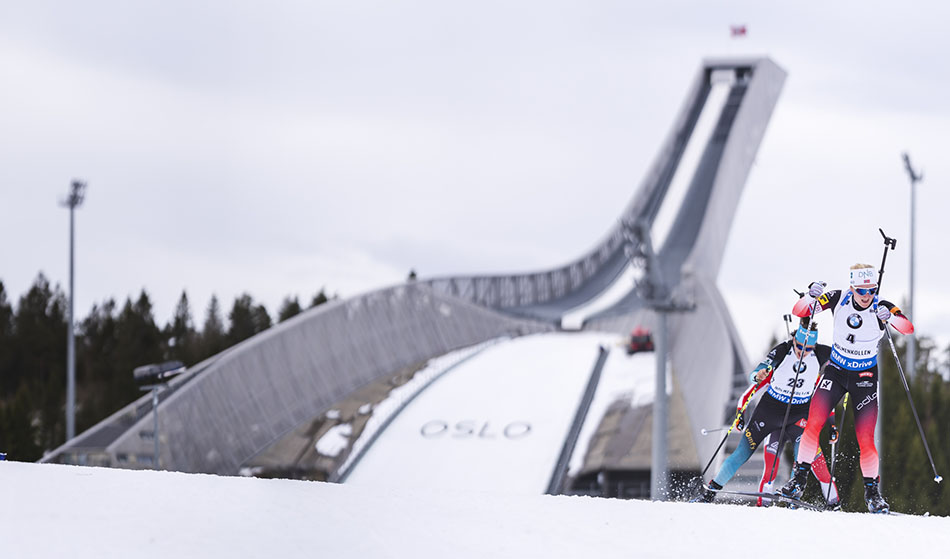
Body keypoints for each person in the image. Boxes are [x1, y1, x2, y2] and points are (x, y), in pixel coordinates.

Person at [779, 264, 914, 513]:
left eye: (871, 290)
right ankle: (798, 481)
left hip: (864, 376)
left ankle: (872, 494)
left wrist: (891, 318)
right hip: (836, 372)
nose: (866, 296)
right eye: (861, 290)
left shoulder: (882, 304)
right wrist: (810, 296)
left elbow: (908, 328)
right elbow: (799, 310)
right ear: (852, 288)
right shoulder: (839, 298)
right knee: (813, 424)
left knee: (866, 439)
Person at [693, 319, 839, 508]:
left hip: (799, 414)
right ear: (794, 340)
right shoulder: (783, 350)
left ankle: (809, 500)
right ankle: (710, 493)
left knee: (803, 458)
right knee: (742, 454)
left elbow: (845, 363)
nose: (803, 352)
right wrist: (758, 376)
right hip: (769, 411)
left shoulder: (821, 353)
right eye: (800, 347)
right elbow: (757, 374)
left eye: (809, 349)